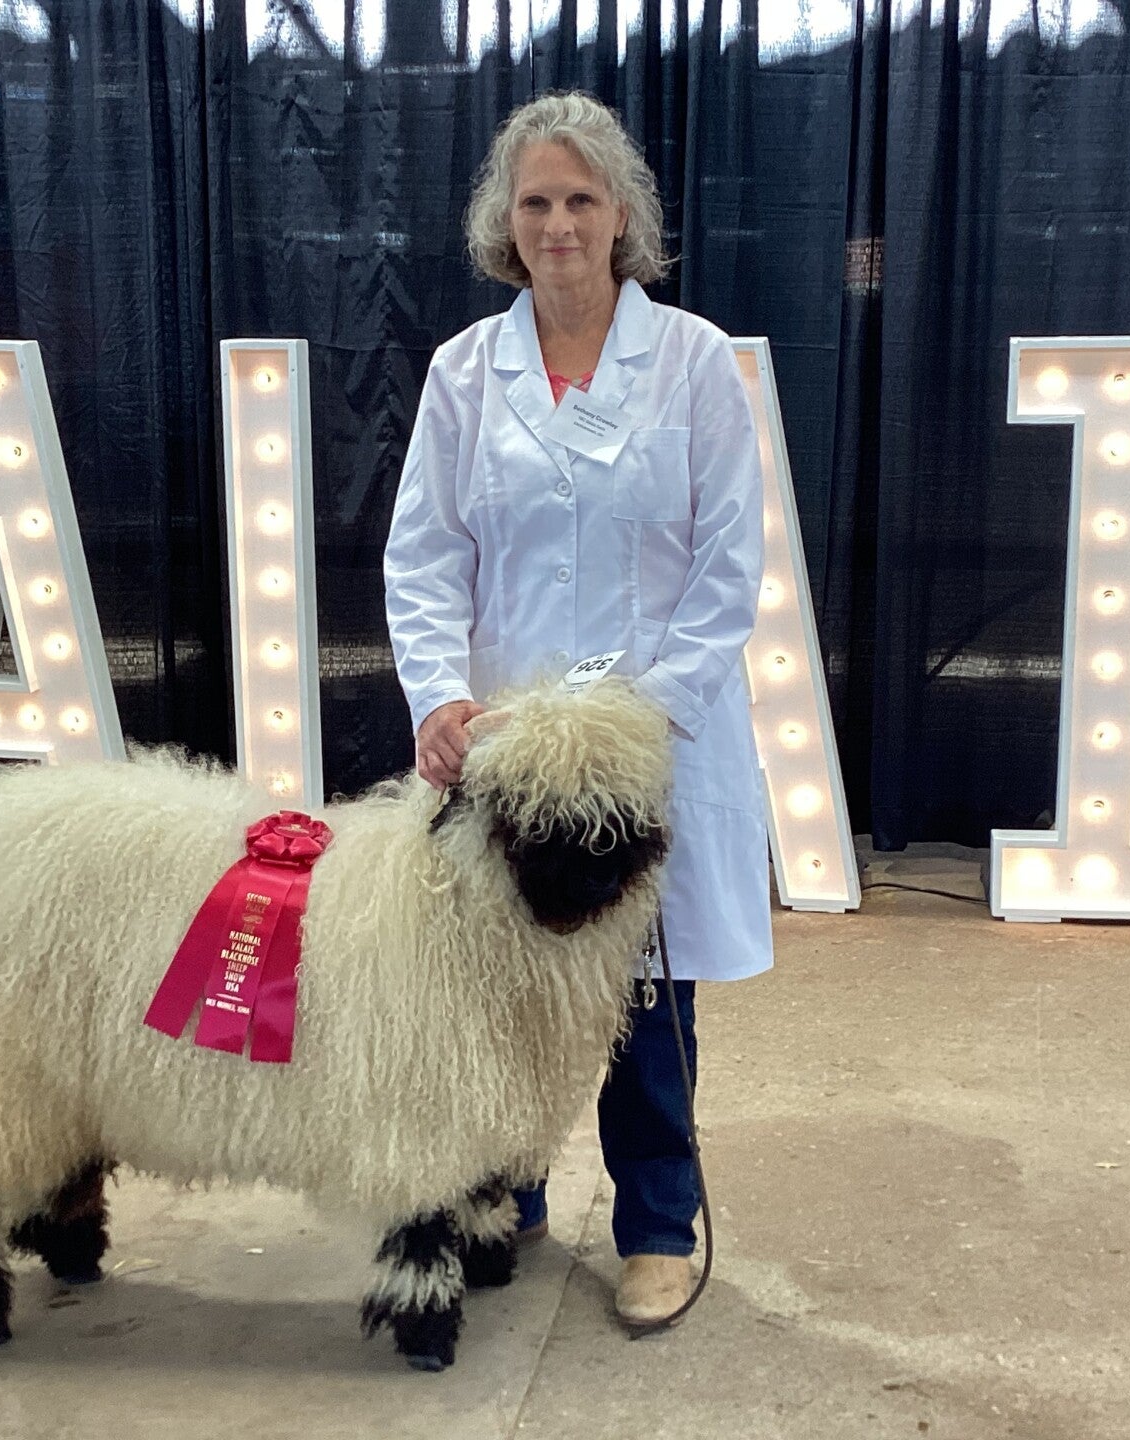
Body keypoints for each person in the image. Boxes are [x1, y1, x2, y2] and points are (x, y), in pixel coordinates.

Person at [383, 91, 772, 1328]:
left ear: (621, 218)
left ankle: (657, 1224)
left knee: (645, 999)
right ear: (506, 221)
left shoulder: (694, 362)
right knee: (503, 986)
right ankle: (509, 1194)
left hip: (646, 747)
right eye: (536, 202)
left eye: (580, 200)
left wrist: (643, 720)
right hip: (507, 750)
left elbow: (729, 566)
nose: (558, 224)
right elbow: (425, 555)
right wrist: (441, 695)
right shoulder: (464, 372)